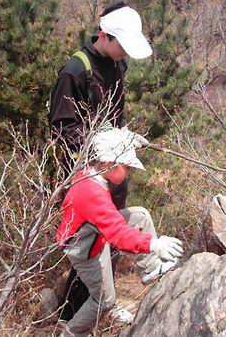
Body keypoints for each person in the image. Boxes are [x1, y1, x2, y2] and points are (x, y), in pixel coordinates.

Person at [48, 2, 153, 320]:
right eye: (123, 46)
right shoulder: (74, 71)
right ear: (105, 35)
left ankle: (102, 300)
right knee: (90, 243)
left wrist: (125, 137)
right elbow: (62, 128)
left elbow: (115, 114)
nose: (125, 53)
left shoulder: (118, 65)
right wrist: (102, 146)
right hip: (86, 173)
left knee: (113, 233)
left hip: (113, 166)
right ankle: (71, 314)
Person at [56, 127, 183, 337]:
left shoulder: (92, 171)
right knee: (104, 301)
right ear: (108, 163)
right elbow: (118, 234)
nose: (129, 171)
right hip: (85, 249)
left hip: (93, 234)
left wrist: (128, 139)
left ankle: (151, 268)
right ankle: (71, 333)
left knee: (140, 216)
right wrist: (153, 244)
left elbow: (101, 137)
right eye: (126, 166)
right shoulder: (92, 193)